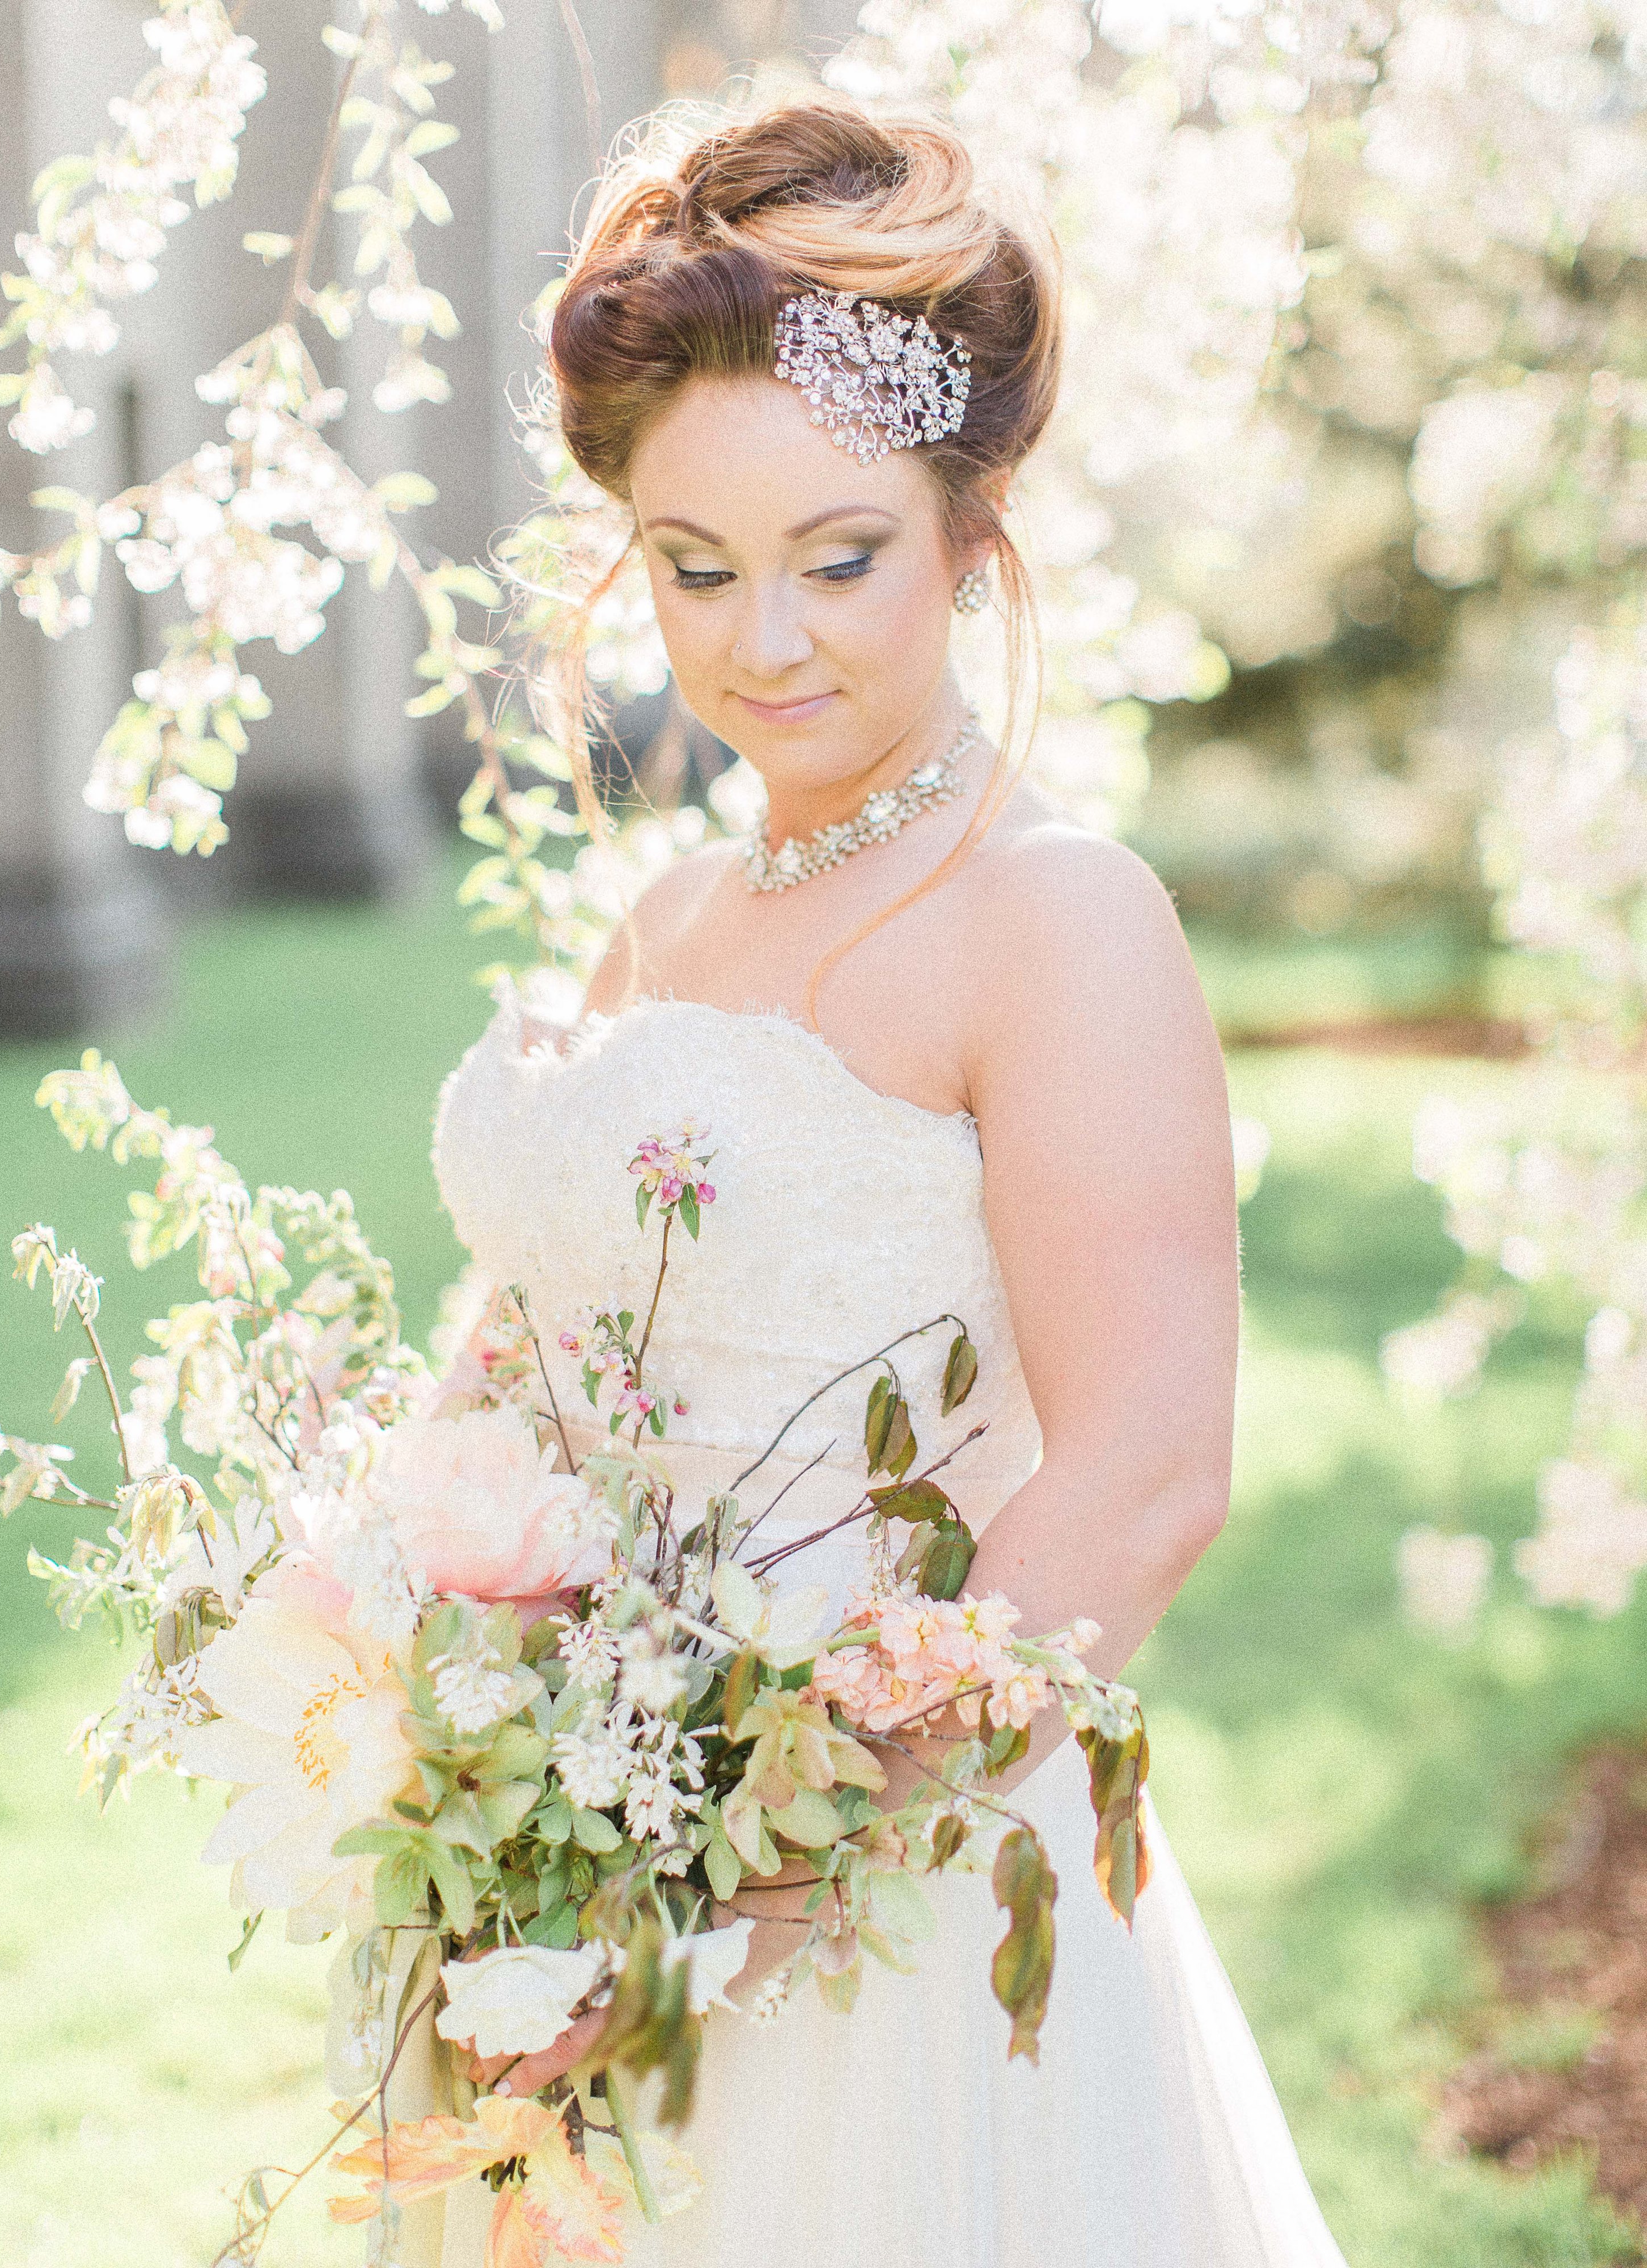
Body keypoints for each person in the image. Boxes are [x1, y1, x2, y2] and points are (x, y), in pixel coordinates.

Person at [425, 96, 1349, 2267]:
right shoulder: (667, 919)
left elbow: (1144, 1480)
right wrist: (429, 1712)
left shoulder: (1059, 922)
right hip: (579, 1885)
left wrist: (734, 1880)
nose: (763, 642)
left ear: (969, 539)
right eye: (694, 568)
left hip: (894, 1918)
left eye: (837, 560)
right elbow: (538, 1367)